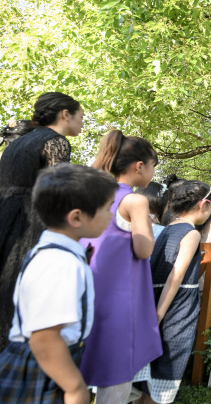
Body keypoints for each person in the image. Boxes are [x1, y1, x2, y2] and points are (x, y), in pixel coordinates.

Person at [0, 163, 117, 404]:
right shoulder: (60, 263)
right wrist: (74, 387)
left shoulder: (58, 254)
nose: (111, 215)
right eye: (107, 208)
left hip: (51, 363)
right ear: (76, 217)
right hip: (43, 367)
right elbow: (44, 337)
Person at [79, 130, 162, 403]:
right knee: (116, 377)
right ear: (140, 167)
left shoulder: (90, 193)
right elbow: (144, 249)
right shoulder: (135, 200)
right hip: (120, 296)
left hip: (86, 287)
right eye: (152, 167)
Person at [0, 92, 84, 351]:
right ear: (65, 114)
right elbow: (57, 194)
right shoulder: (55, 141)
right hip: (32, 222)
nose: (83, 123)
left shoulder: (17, 143)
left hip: (6, 219)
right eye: (81, 117)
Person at [138, 179, 211, 404]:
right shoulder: (191, 234)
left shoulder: (166, 229)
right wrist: (160, 314)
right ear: (203, 205)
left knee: (149, 367)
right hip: (177, 307)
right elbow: (176, 276)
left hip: (153, 297)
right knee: (167, 366)